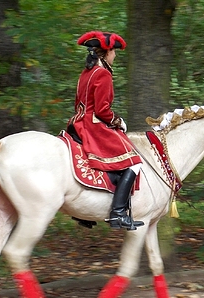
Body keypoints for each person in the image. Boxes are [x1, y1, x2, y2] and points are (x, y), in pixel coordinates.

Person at [67, 31, 144, 230]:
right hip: (94, 126)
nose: (115, 56)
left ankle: (85, 210)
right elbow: (102, 110)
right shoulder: (102, 74)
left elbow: (79, 103)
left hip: (78, 122)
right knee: (134, 162)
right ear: (107, 52)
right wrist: (117, 121)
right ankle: (118, 213)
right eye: (114, 52)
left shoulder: (86, 73)